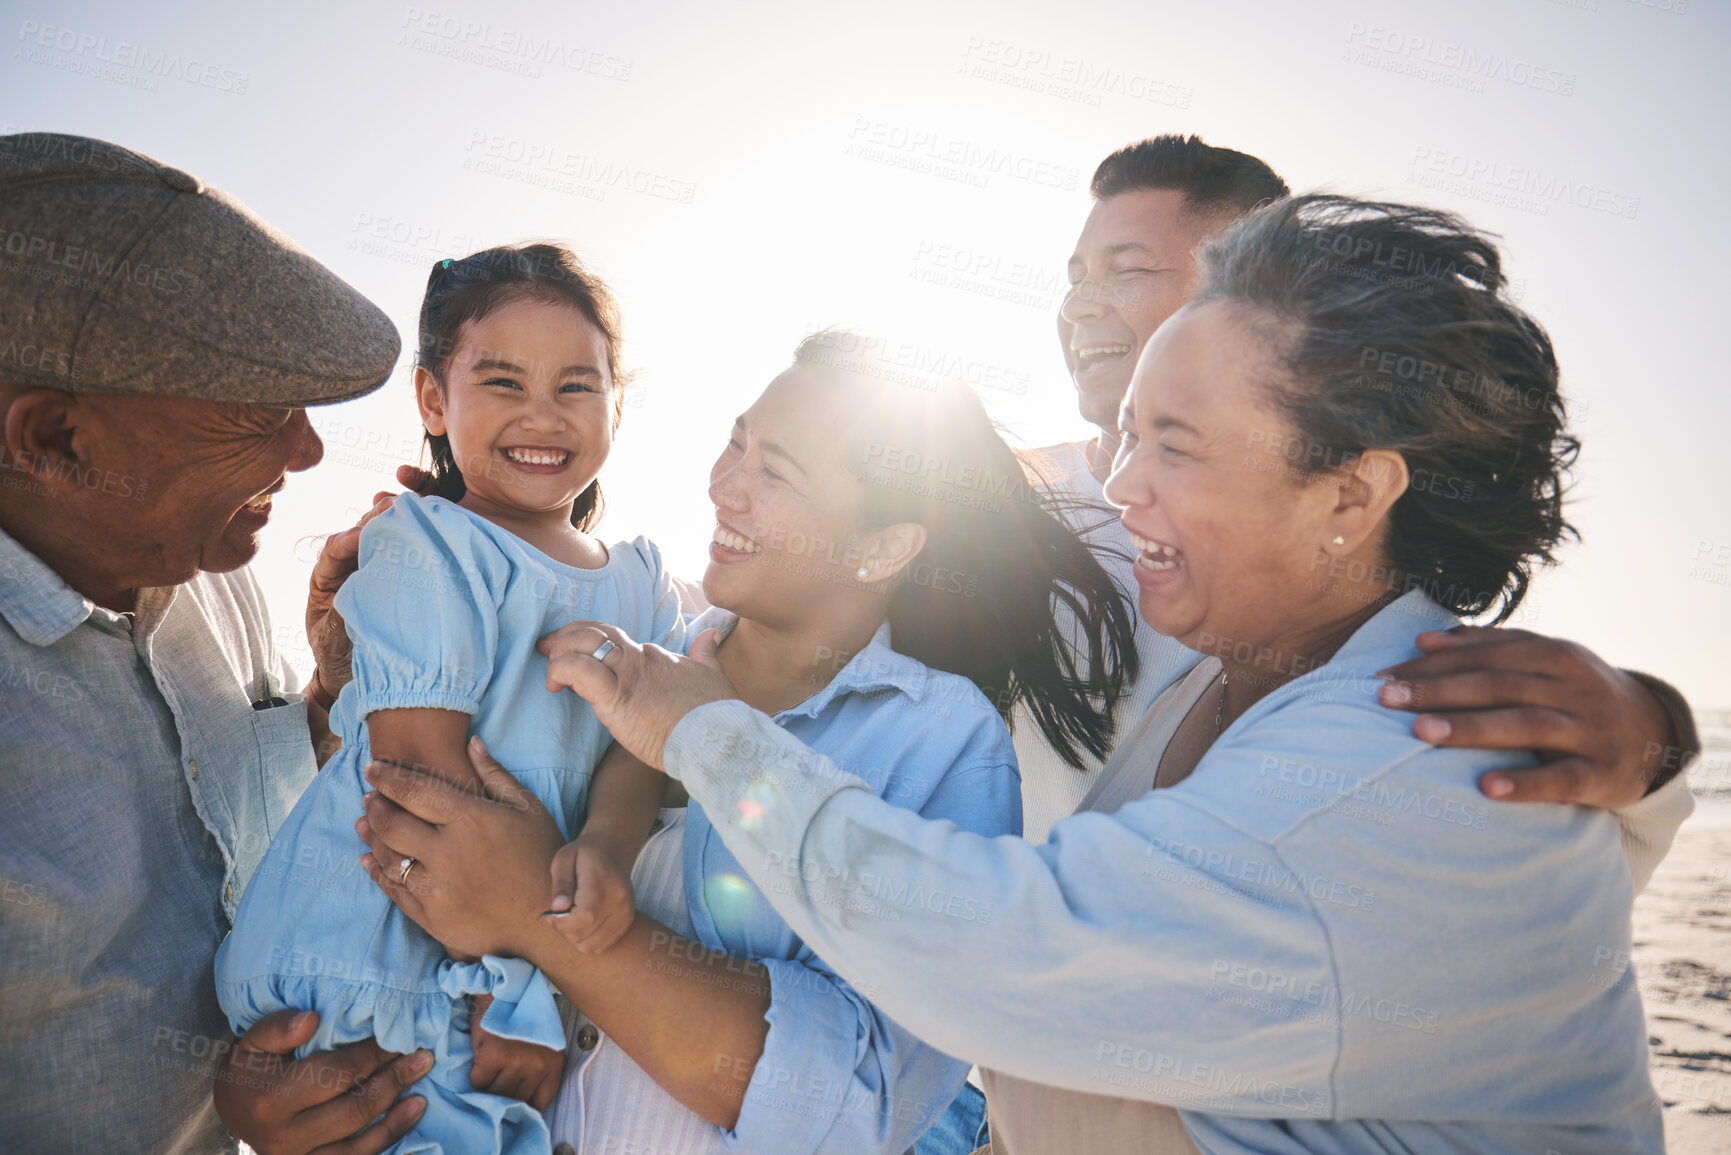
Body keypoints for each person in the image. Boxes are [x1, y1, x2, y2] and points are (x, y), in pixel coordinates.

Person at [459, 195, 1692, 1153]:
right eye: (1127, 432)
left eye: (1177, 445)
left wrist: (707, 741)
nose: (1119, 484)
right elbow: (781, 585)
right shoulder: (1214, 671)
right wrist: (471, 554)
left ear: (1354, 495)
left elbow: (1003, 955)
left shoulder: (1404, 764)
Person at [341, 332, 1139, 1153]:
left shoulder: (940, 740)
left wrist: (543, 929)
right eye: (735, 443)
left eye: (775, 472)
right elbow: (407, 865)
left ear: (882, 547)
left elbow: (859, 1103)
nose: (724, 486)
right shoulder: (619, 655)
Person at [1020, 135, 1697, 842]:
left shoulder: (1358, 593)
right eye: (1073, 278)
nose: (1078, 307)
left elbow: (1552, 804)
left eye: (1126, 269)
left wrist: (1653, 735)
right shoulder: (992, 507)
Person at [0, 133, 432, 1154]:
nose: (307, 448)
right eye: (252, 411)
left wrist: (329, 701)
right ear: (55, 441)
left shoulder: (208, 574)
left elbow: (250, 843)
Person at [215, 244, 683, 1152]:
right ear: (435, 399)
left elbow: (638, 755)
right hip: (390, 957)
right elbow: (419, 783)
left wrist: (602, 860)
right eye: (502, 382)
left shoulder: (645, 583)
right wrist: (528, 978)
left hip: (523, 949)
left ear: (618, 403)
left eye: (577, 386)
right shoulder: (429, 546)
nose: (541, 416)